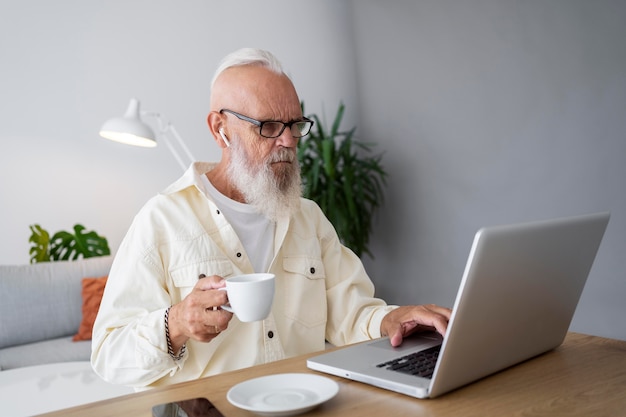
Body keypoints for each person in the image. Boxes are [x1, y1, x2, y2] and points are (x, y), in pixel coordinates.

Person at [91, 48, 451, 390]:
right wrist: (176, 324)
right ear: (220, 128)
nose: (288, 141)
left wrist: (393, 320)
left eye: (294, 125)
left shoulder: (308, 217)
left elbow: (351, 314)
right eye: (268, 126)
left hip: (303, 402)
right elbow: (109, 355)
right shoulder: (162, 219)